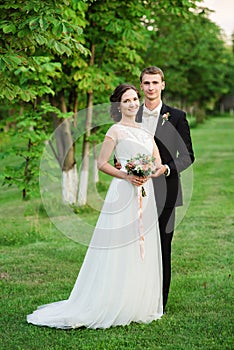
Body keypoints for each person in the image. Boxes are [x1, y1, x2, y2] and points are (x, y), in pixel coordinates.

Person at [27, 84, 165, 329]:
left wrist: (148, 173)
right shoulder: (115, 130)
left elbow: (157, 162)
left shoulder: (146, 131)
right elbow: (102, 163)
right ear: (118, 106)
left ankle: (137, 303)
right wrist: (127, 176)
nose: (133, 104)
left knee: (140, 243)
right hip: (123, 191)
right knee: (120, 245)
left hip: (146, 192)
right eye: (126, 100)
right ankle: (112, 300)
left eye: (134, 99)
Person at [136, 66, 195, 311]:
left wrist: (167, 169)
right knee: (135, 246)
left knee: (162, 245)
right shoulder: (131, 113)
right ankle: (135, 298)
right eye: (146, 83)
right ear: (141, 86)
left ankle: (159, 302)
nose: (150, 87)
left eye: (155, 82)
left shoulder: (178, 117)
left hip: (166, 191)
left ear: (163, 85)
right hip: (134, 192)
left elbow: (188, 156)